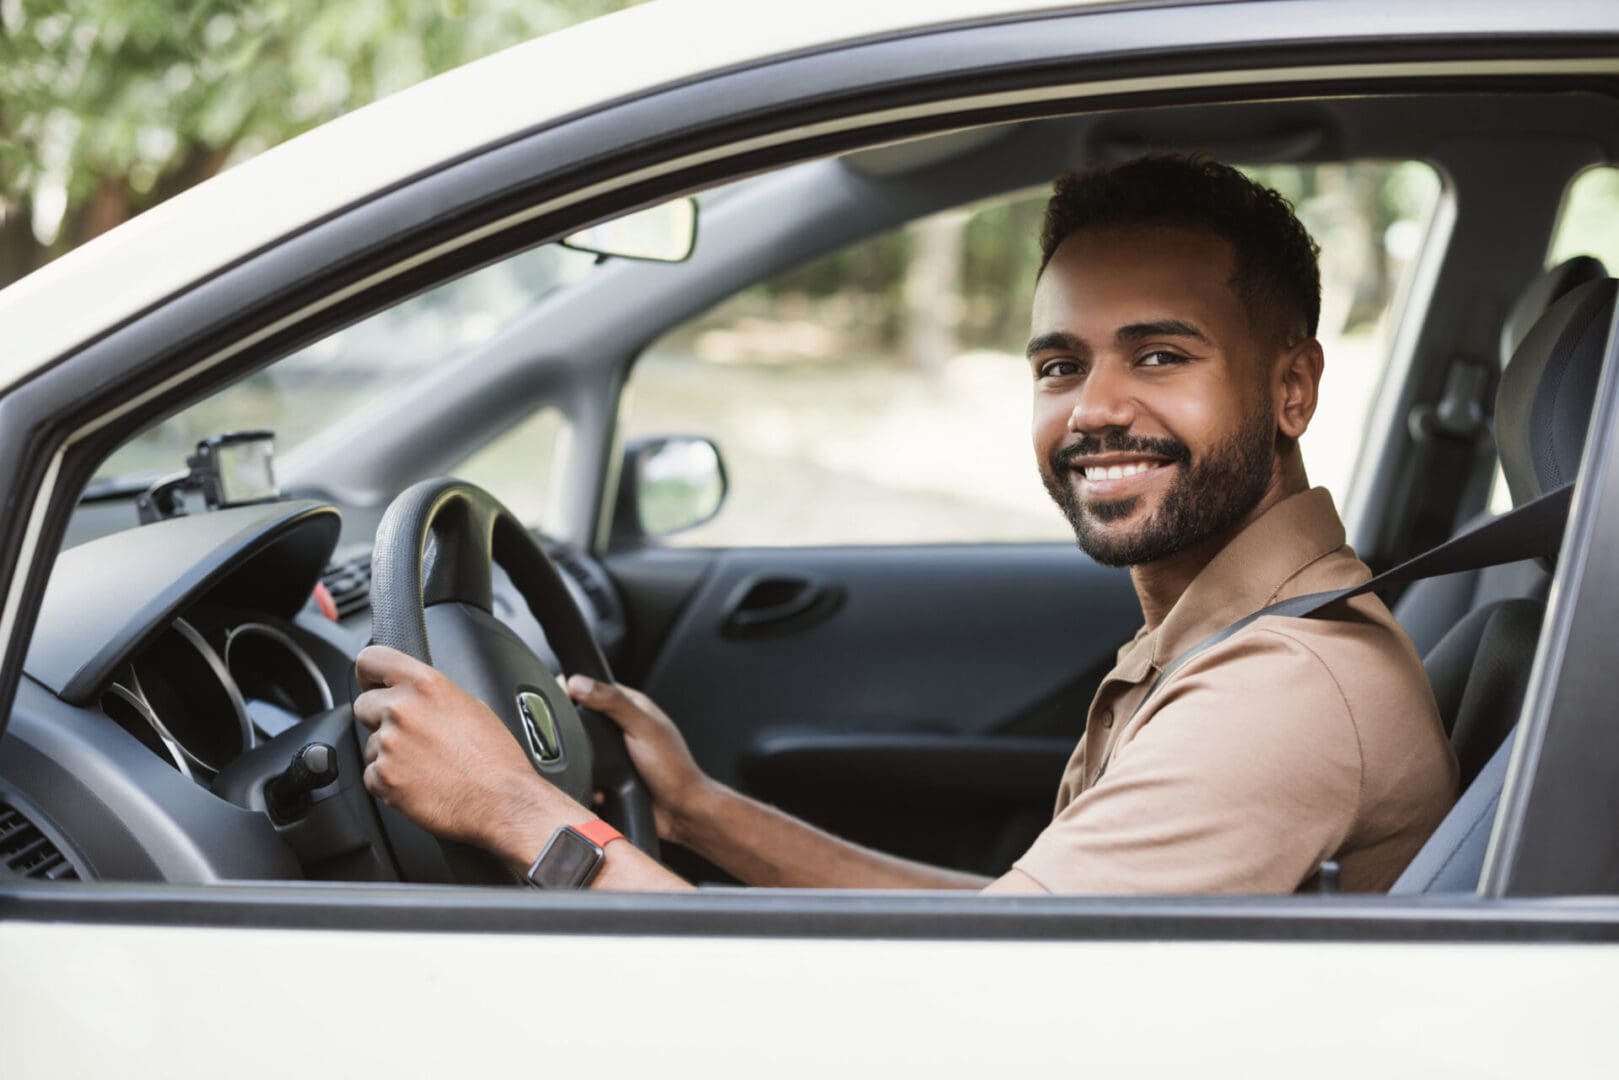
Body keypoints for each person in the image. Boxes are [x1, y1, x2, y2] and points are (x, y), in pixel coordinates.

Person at [353, 155, 1458, 894]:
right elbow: (1008, 938)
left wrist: (511, 810)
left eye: (1160, 355)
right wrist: (694, 811)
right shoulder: (1226, 634)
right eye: (1060, 365)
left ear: (1291, 389)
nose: (1095, 409)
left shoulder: (1280, 690)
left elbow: (945, 1021)